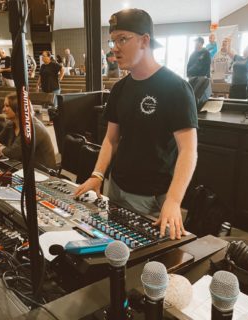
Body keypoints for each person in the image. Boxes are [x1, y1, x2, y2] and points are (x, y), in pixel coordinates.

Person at [74, 8, 198, 240]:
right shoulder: (120, 89)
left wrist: (173, 200)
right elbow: (111, 139)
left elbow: (188, 151)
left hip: (152, 197)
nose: (115, 48)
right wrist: (98, 175)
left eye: (123, 39)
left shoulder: (176, 88)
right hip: (116, 187)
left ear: (145, 40)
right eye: (112, 41)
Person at [0, 93, 56, 169]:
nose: (3, 109)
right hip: (22, 167)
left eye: (7, 106)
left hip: (42, 172)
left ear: (17, 108)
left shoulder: (34, 127)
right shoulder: (11, 124)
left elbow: (13, 153)